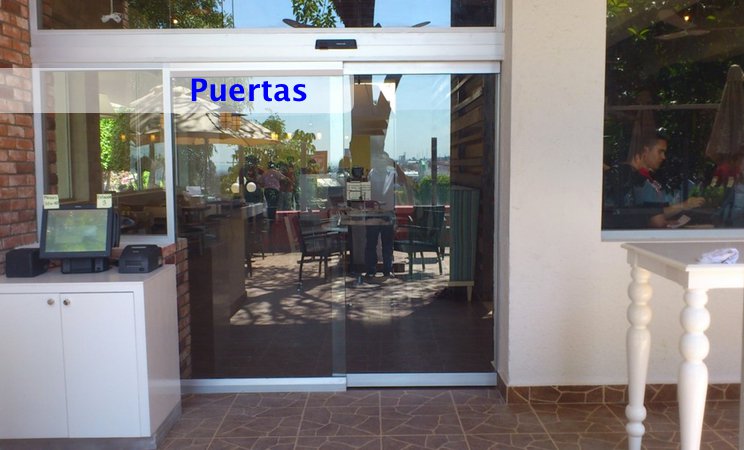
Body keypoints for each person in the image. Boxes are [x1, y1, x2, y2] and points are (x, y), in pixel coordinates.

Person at [603, 131, 705, 229]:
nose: (663, 157)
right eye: (660, 151)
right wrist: (684, 205)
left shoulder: (646, 179)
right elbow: (654, 218)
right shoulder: (634, 180)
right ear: (646, 151)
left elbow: (652, 214)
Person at [364, 151, 409, 280]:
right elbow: (366, 193)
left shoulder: (392, 173)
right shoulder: (371, 174)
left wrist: (395, 165)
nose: (380, 162)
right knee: (371, 243)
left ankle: (387, 270)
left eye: (383, 159)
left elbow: (403, 181)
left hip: (388, 212)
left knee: (388, 244)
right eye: (378, 159)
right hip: (373, 213)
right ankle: (371, 270)